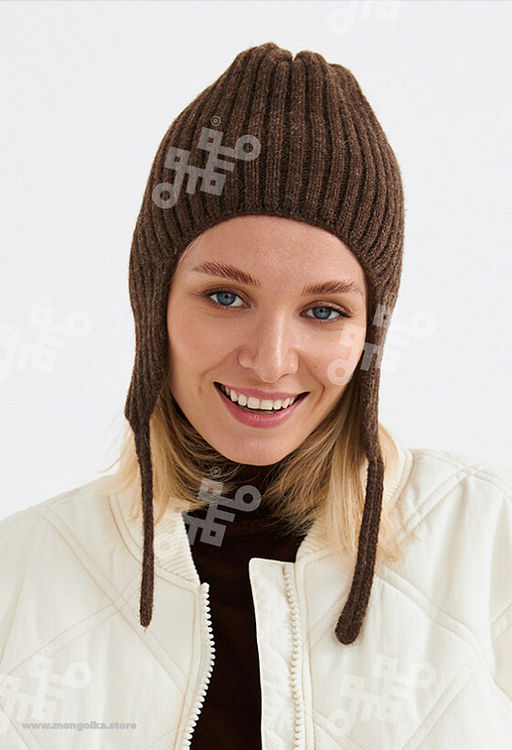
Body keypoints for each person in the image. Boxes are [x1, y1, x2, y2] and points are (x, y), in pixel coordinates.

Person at [1, 41, 511, 749]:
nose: (270, 361)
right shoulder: (21, 572)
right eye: (224, 296)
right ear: (154, 306)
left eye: (324, 311)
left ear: (370, 331)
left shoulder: (486, 542)